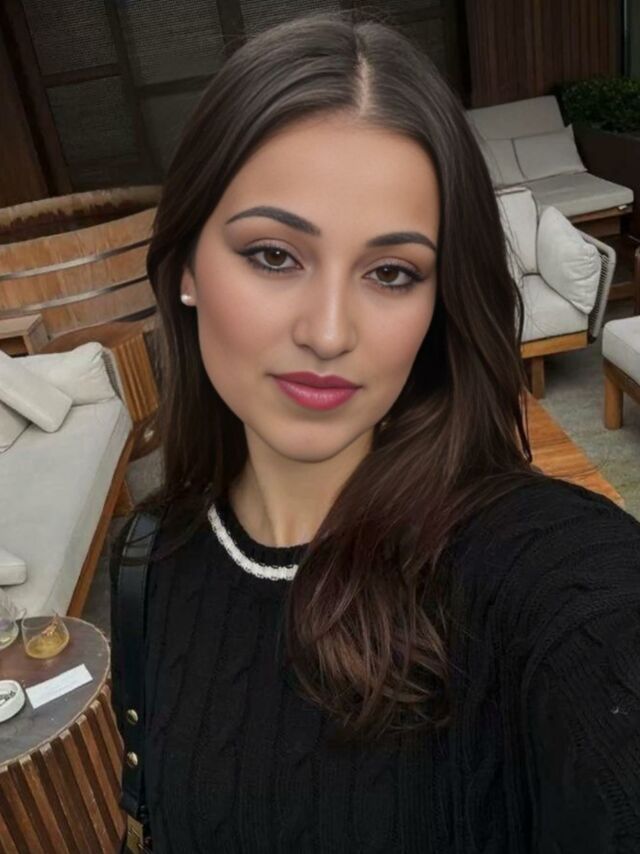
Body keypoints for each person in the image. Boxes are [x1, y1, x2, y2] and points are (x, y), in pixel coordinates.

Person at [109, 9, 640, 853]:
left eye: (391, 272)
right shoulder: (146, 563)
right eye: (274, 255)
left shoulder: (532, 569)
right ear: (184, 269)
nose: (329, 333)